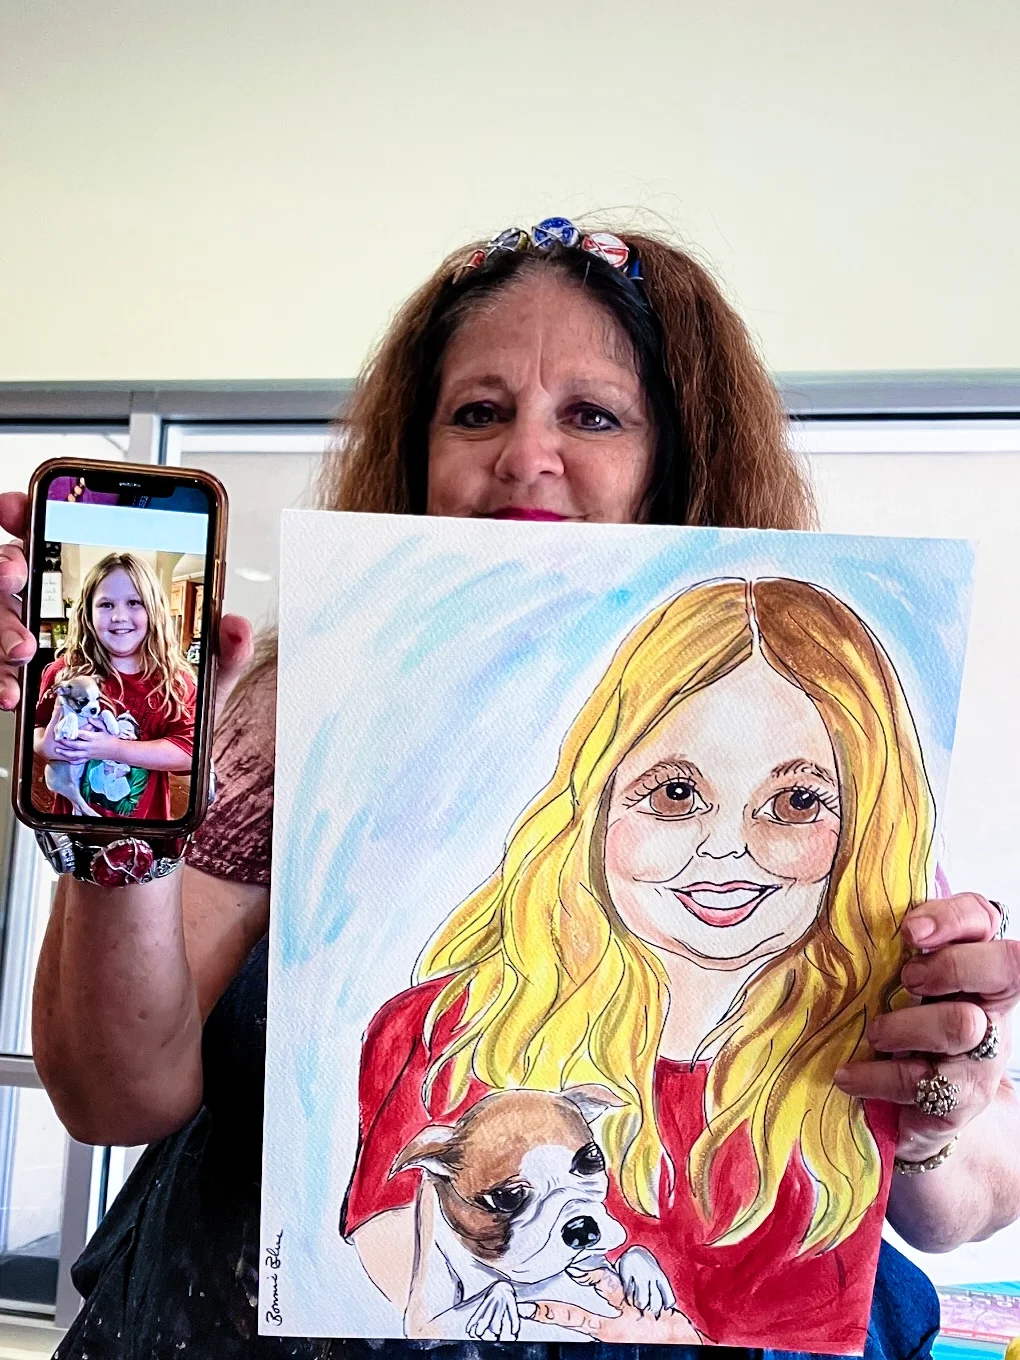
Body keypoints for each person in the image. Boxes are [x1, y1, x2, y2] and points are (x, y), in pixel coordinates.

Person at [0, 220, 1017, 1358]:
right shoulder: (291, 729)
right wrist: (111, 831)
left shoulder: (829, 757)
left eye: (592, 415)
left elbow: (968, 1200)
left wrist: (945, 1098)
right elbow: (112, 1097)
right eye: (479, 411)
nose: (527, 455)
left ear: (676, 457)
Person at [343, 576, 933, 1352]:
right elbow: (405, 1290)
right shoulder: (445, 1035)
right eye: (678, 792)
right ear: (597, 800)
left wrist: (945, 1110)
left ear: (867, 822)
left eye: (794, 804)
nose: (726, 848)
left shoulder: (885, 1013)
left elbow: (969, 1210)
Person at [33, 551, 196, 820]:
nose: (119, 616)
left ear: (154, 610)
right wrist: (46, 746)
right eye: (106, 605)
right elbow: (38, 730)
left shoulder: (176, 682)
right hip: (72, 827)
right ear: (87, 612)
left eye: (134, 602)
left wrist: (111, 748)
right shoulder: (64, 673)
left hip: (147, 834)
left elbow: (189, 755)